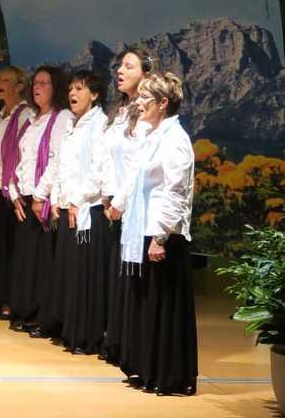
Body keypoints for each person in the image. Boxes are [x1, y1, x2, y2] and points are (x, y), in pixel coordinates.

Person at [114, 72, 197, 395]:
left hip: (165, 235)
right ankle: (147, 368)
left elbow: (175, 191)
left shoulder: (176, 139)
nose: (138, 103)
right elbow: (137, 179)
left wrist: (160, 237)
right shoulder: (153, 134)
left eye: (145, 98)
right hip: (145, 230)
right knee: (147, 304)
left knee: (165, 306)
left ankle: (170, 374)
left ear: (163, 103)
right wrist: (120, 204)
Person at [95, 46, 155, 364]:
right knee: (118, 275)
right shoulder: (119, 111)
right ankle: (117, 340)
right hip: (115, 205)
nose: (120, 70)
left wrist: (118, 201)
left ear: (145, 73)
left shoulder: (146, 112)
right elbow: (108, 157)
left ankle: (132, 345)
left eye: (128, 66)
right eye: (119, 65)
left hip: (135, 206)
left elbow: (138, 166)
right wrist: (106, 196)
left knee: (133, 276)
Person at [8, 66, 73, 337]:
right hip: (24, 196)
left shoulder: (61, 118)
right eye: (35, 82)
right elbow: (19, 160)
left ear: (55, 87)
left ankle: (41, 316)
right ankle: (25, 310)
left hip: (42, 199)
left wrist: (39, 195)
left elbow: (58, 159)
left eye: (44, 83)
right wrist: (14, 194)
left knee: (43, 261)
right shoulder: (32, 118)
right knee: (27, 261)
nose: (37, 87)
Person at [52, 69, 109, 354]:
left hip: (87, 208)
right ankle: (70, 329)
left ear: (95, 95)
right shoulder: (74, 124)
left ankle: (86, 336)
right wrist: (57, 198)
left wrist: (76, 201)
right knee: (69, 273)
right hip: (68, 206)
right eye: (71, 88)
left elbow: (98, 170)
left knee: (85, 274)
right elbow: (63, 166)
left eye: (80, 89)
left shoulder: (99, 125)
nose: (73, 94)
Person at [0, 66, 32, 320]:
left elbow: (23, 156)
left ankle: (13, 300)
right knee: (1, 246)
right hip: (1, 189)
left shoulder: (26, 115)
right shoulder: (1, 116)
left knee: (15, 249)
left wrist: (13, 188)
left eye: (6, 80)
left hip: (17, 193)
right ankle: (0, 296)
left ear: (20, 86)